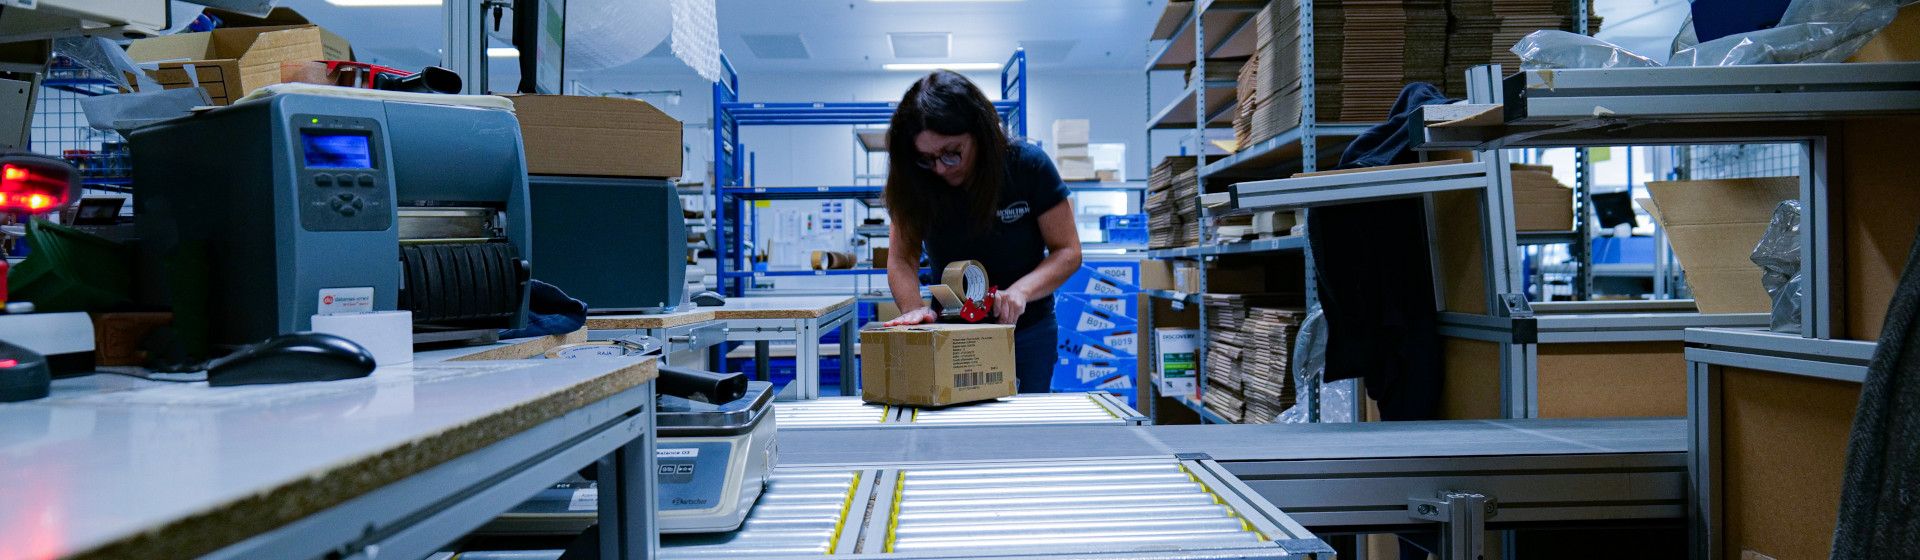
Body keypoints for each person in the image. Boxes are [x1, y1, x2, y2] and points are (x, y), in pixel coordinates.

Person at [878, 70, 1082, 394]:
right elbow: (902, 259)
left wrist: (1021, 292)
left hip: (1025, 331)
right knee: (956, 421)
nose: (940, 168)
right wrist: (914, 310)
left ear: (979, 133)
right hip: (951, 332)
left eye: (952, 152)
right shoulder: (916, 180)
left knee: (1023, 420)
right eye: (927, 158)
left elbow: (1068, 251)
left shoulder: (1027, 167)